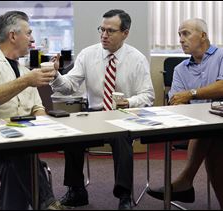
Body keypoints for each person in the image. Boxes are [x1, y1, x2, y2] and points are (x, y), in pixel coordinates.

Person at [50, 9, 155, 210]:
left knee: (121, 136)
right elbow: (69, 85)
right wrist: (56, 75)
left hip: (123, 115)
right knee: (71, 134)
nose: (104, 35)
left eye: (110, 31)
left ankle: (124, 195)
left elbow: (148, 95)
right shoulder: (88, 54)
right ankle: (77, 191)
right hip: (95, 114)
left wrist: (129, 102)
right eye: (102, 30)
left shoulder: (137, 58)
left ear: (125, 33)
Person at [0, 11, 64, 210]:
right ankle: (49, 204)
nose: (32, 39)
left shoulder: (25, 71)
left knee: (15, 158)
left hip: (12, 146)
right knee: (21, 153)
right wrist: (26, 81)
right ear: (13, 35)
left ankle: (47, 205)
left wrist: (49, 129)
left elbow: (37, 109)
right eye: (29, 33)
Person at [146, 18, 223, 210]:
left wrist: (191, 94)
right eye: (179, 35)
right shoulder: (180, 70)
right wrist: (179, 101)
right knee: (213, 140)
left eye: (185, 33)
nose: (181, 39)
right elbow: (175, 101)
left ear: (203, 35)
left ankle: (185, 180)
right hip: (207, 129)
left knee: (208, 132)